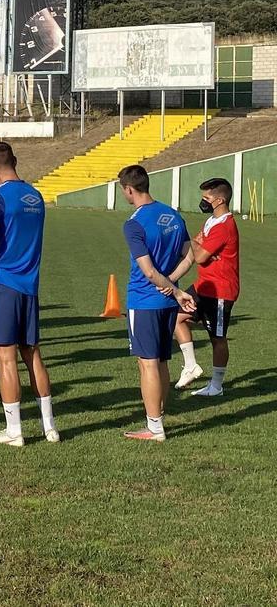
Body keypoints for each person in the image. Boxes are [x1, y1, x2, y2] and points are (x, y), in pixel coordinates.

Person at [0, 142, 59, 447]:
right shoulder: (35, 195)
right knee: (32, 354)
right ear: (16, 161)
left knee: (5, 358)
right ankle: (50, 427)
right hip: (29, 283)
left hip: (2, 281)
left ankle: (14, 430)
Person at [116, 165, 196, 441]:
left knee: (147, 363)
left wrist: (171, 289)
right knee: (161, 361)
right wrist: (173, 284)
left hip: (145, 301)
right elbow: (191, 256)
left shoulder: (134, 223)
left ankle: (154, 427)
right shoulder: (172, 215)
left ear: (128, 189)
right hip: (165, 304)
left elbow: (149, 272)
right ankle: (158, 416)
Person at [173, 178, 240, 397]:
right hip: (203, 286)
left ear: (220, 200)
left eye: (207, 198)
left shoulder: (224, 227)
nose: (203, 201)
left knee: (217, 338)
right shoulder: (212, 220)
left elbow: (200, 255)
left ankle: (217, 385)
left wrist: (192, 239)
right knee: (176, 318)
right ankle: (191, 366)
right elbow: (195, 248)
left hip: (220, 291)